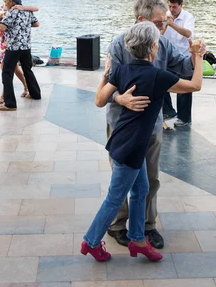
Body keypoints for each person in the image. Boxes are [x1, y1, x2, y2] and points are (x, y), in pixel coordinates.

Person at [81, 21, 204, 262]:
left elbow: (98, 101)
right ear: (152, 48)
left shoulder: (121, 71)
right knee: (115, 198)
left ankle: (137, 239)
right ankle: (91, 241)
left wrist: (105, 76)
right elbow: (195, 85)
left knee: (141, 189)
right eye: (157, 43)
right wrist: (198, 56)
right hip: (131, 147)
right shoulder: (158, 76)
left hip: (121, 139)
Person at [106, 0, 203, 249]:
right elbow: (105, 89)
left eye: (166, 23)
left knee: (151, 176)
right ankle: (117, 224)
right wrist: (121, 98)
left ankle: (147, 226)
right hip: (121, 123)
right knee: (121, 177)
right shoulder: (118, 45)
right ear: (141, 20)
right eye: (160, 23)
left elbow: (184, 68)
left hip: (151, 122)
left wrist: (195, 55)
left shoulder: (163, 44)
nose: (164, 27)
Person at [0, 0, 41, 111]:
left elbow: (2, 28)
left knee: (7, 73)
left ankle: (10, 104)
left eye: (6, 1)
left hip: (14, 47)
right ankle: (35, 94)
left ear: (11, 2)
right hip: (26, 46)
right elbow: (37, 24)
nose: (5, 4)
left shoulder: (11, 12)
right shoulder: (27, 12)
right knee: (28, 70)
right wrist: (23, 25)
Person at [162, 0, 195, 128]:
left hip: (184, 57)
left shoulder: (188, 17)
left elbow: (188, 33)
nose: (171, 9)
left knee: (185, 88)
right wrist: (164, 24)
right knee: (161, 82)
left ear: (181, 5)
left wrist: (172, 24)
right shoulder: (166, 15)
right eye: (169, 6)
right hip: (168, 56)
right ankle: (168, 111)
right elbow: (159, 35)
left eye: (174, 7)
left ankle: (184, 118)